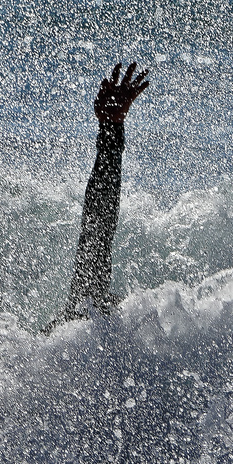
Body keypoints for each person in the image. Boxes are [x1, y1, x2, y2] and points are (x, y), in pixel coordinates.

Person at [46, 62, 150, 331]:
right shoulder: (82, 322)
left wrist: (111, 128)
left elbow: (98, 229)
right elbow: (97, 228)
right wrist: (110, 129)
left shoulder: (96, 319)